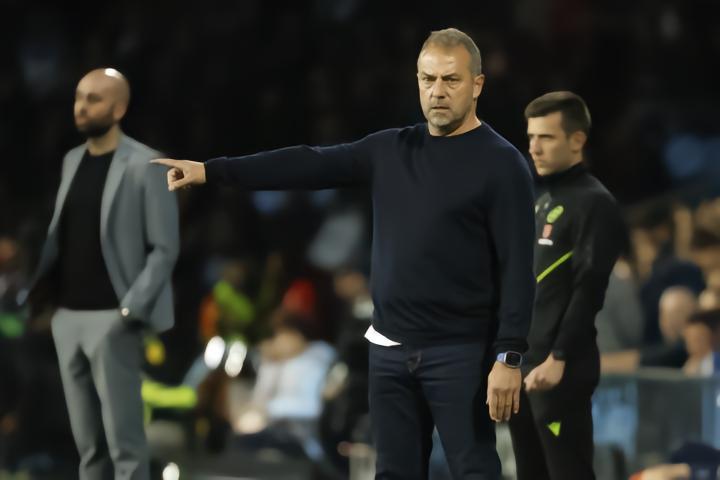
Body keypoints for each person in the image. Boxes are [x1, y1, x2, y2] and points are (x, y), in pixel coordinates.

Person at [153, 28, 535, 479]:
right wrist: (211, 171)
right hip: (390, 351)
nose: (437, 91)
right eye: (427, 78)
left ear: (477, 84)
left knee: (475, 472)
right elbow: (308, 162)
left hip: (460, 352)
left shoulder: (501, 163)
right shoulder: (391, 149)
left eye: (450, 79)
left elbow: (518, 267)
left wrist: (509, 356)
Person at [28, 68, 179, 480]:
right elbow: (61, 236)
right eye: (79, 97)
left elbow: (165, 248)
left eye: (94, 99)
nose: (81, 106)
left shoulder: (146, 163)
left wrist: (129, 312)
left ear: (119, 107)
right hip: (68, 318)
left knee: (124, 443)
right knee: (87, 445)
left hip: (113, 318)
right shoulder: (72, 160)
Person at [508, 91, 625, 480]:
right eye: (531, 137)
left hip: (561, 368)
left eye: (546, 137)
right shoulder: (539, 197)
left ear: (577, 140)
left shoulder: (595, 203)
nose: (534, 147)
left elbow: (589, 289)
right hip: (524, 364)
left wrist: (558, 357)